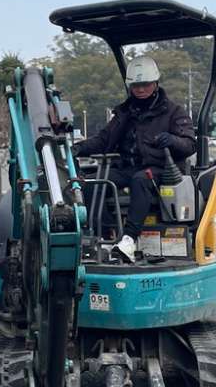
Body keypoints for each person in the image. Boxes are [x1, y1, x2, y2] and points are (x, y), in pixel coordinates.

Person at [75, 56, 197, 262]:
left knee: (140, 179)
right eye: (136, 85)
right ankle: (106, 237)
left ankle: (129, 239)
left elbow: (189, 144)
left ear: (155, 83)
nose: (140, 89)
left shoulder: (174, 112)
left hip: (160, 168)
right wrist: (78, 148)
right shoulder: (125, 113)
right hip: (128, 167)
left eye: (145, 85)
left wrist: (173, 140)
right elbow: (104, 140)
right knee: (93, 183)